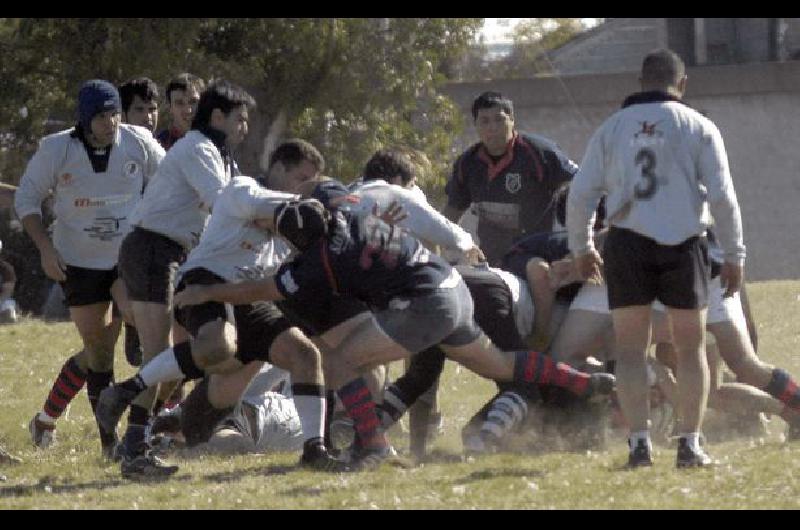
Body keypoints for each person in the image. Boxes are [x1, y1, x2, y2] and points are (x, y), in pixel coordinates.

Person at [171, 198, 615, 470]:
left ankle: (375, 446)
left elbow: (263, 289)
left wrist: (207, 290)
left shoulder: (318, 260)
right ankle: (583, 380)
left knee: (341, 361)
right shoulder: (349, 215)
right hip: (452, 286)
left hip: (423, 303)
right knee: (499, 364)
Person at [567, 49, 746, 468]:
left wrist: (582, 247)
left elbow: (582, 194)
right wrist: (735, 254)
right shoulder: (699, 125)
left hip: (628, 244)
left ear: (640, 80)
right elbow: (723, 197)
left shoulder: (612, 127)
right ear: (681, 83)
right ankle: (690, 443)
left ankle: (639, 444)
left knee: (630, 350)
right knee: (689, 349)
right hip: (684, 244)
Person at [15, 79, 165, 458]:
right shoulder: (57, 149)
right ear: (84, 119)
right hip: (77, 263)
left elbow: (169, 181)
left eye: (114, 113)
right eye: (101, 116)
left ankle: (138, 426)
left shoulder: (139, 142)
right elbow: (26, 198)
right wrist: (46, 250)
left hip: (125, 257)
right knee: (97, 353)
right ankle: (106, 441)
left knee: (141, 322)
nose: (111, 122)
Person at [113, 79, 255, 478]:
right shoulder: (198, 148)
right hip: (152, 249)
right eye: (240, 119)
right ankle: (133, 448)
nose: (245, 127)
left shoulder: (220, 154)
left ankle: (142, 433)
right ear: (217, 117)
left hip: (173, 252)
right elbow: (224, 204)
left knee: (177, 352)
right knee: (157, 354)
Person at [443, 91, 578, 265]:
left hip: (537, 255)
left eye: (499, 119)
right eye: (484, 121)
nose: (492, 127)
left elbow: (582, 185)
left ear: (512, 120)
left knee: (538, 275)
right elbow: (451, 213)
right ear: (475, 125)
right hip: (490, 260)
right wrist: (441, 250)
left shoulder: (540, 153)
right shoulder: (467, 163)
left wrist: (579, 238)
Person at [118, 76, 161, 364]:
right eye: (139, 110)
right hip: (116, 252)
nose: (147, 117)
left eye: (152, 109)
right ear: (122, 115)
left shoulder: (163, 148)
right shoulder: (115, 151)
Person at [156, 73, 205, 150]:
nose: (188, 110)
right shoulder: (158, 146)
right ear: (170, 107)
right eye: (179, 103)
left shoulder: (217, 142)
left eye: (193, 102)